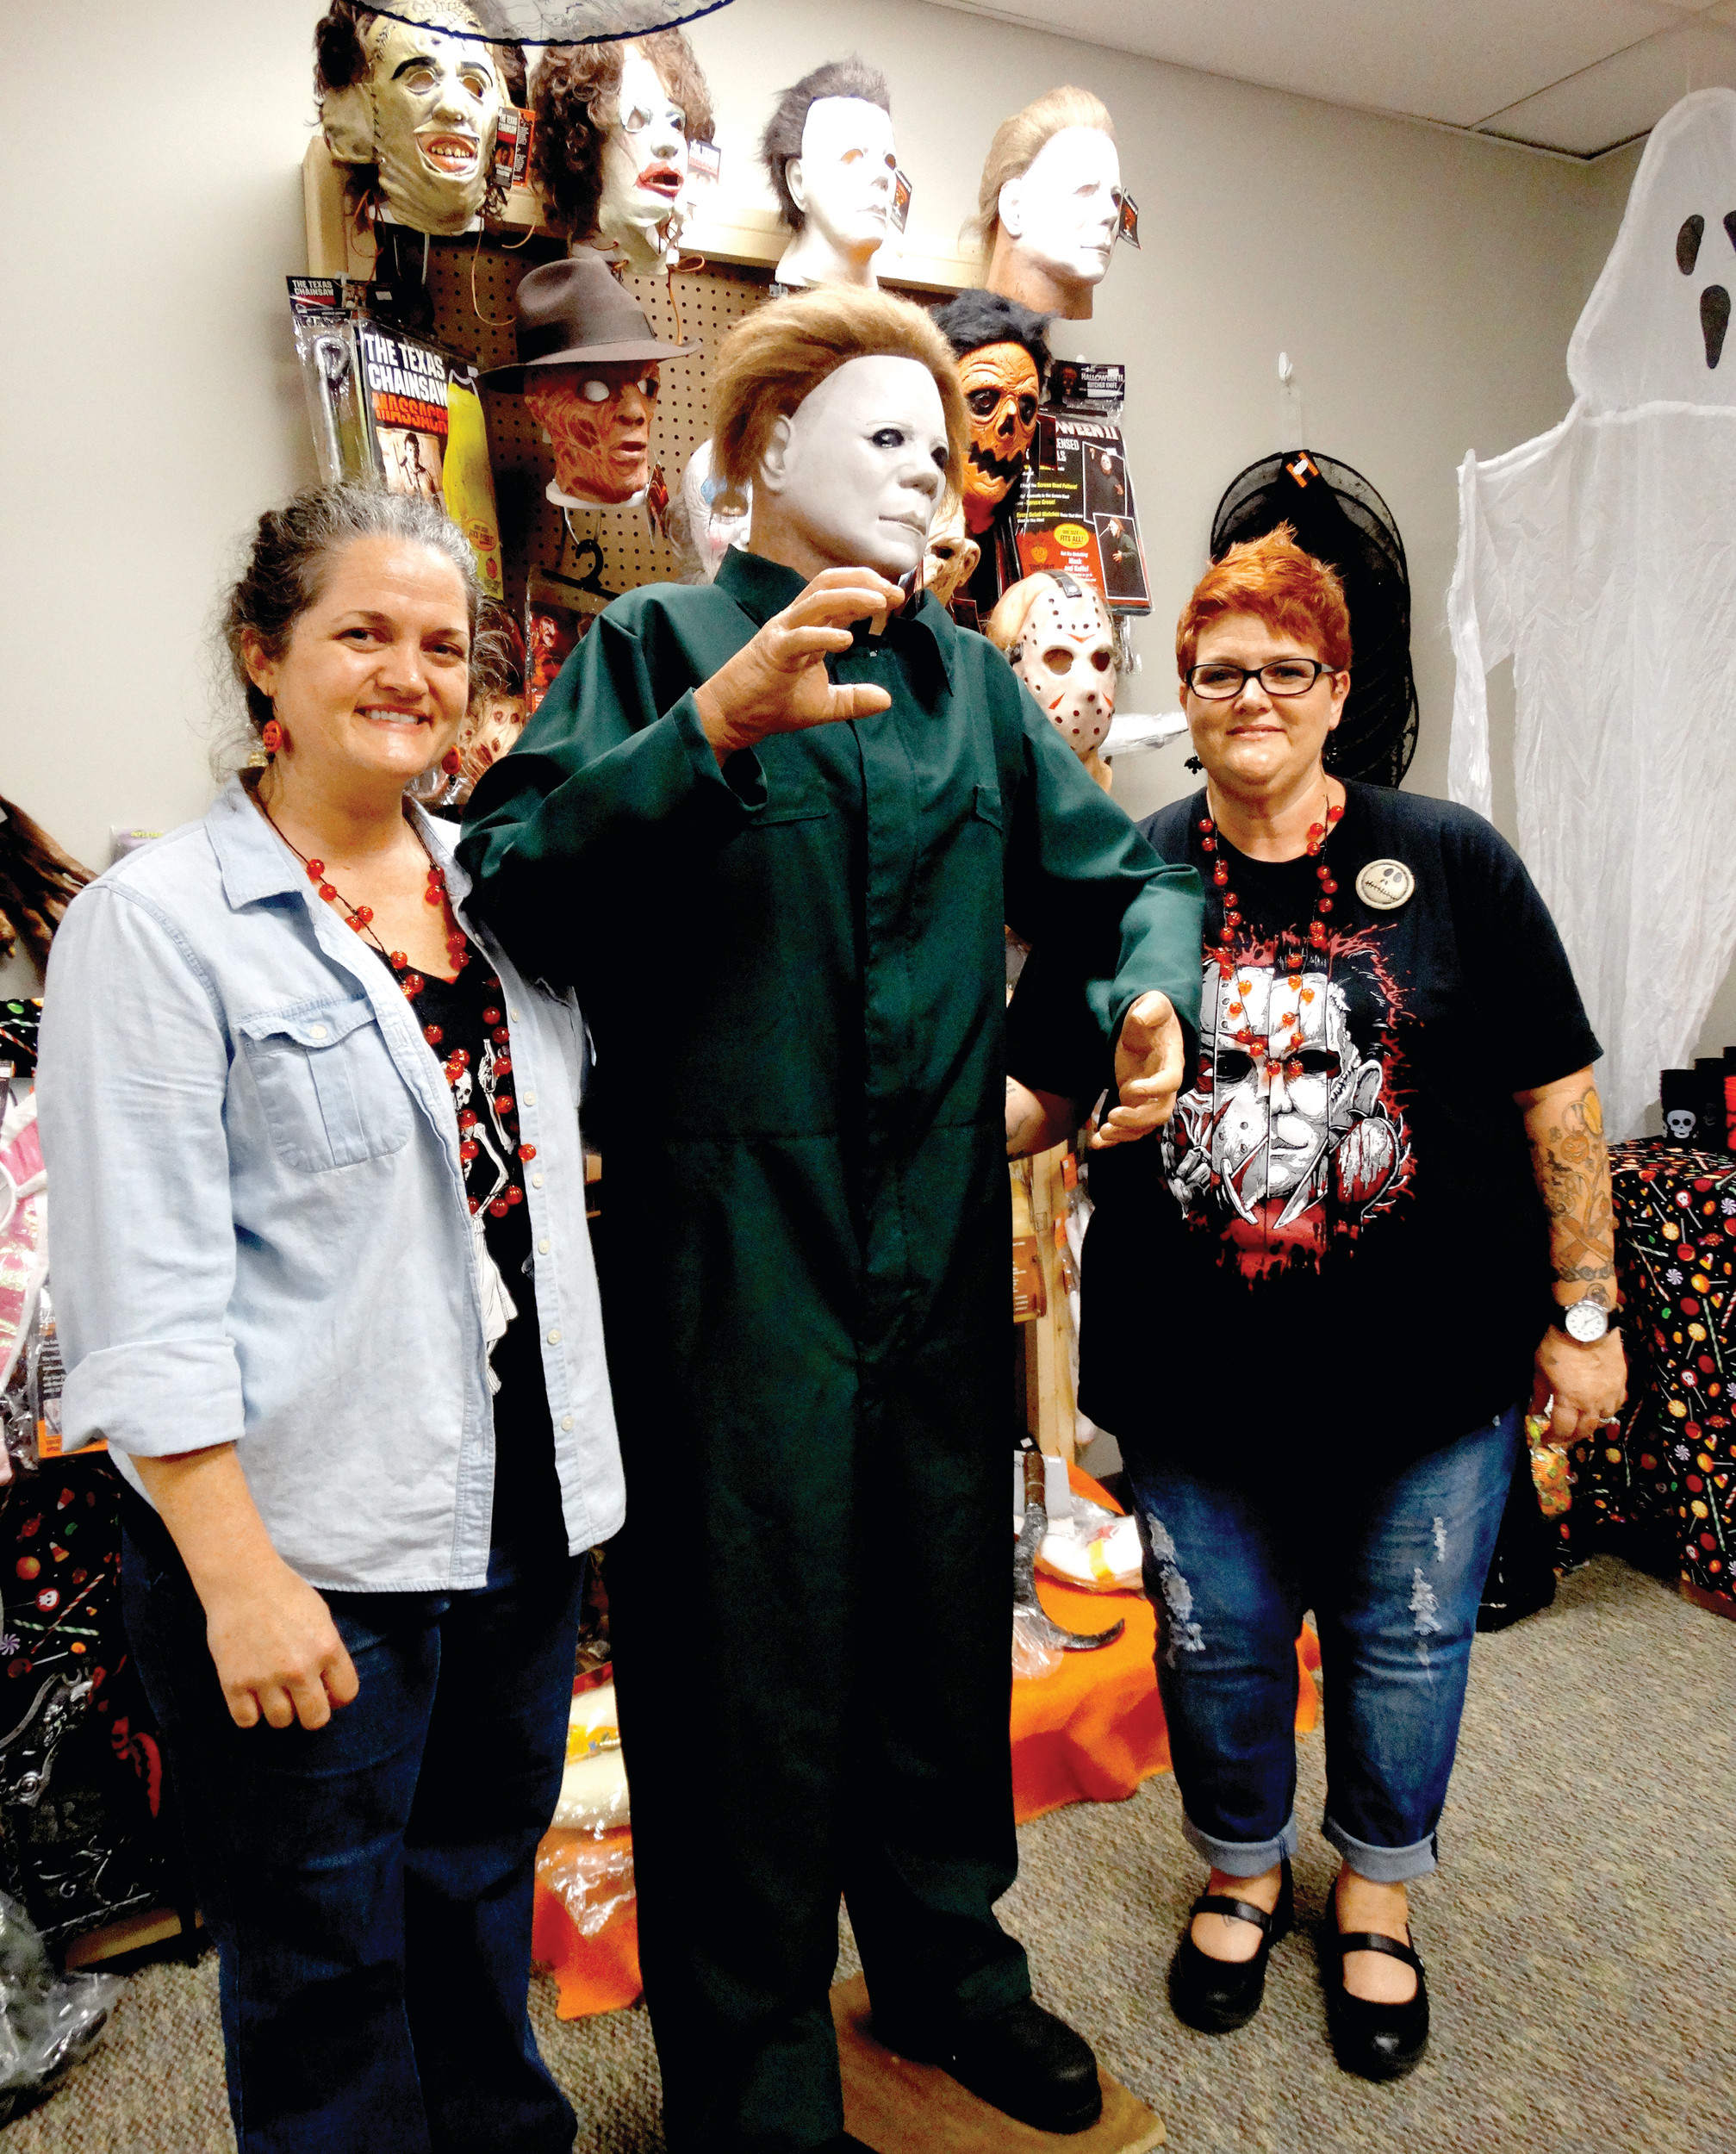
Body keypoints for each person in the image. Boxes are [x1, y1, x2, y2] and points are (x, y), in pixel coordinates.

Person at [458, 284, 1204, 2154]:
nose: (926, 477)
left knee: (937, 1629)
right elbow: (515, 885)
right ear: (765, 445)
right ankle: (752, 2048)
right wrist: (708, 727)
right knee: (748, 1663)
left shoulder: (959, 680)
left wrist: (1132, 1004)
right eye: (882, 436)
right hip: (729, 1259)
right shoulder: (650, 643)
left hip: (937, 1254)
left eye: (943, 448)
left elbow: (1121, 877)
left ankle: (950, 1969)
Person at [37, 482, 622, 2154]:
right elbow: (138, 1300)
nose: (410, 673)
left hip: (513, 1505)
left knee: (474, 1902)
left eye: (443, 644)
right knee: (323, 1968)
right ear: (262, 659)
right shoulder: (152, 927)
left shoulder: (507, 893)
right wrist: (235, 1576)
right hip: (304, 1549)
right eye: (362, 631)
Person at [1010, 526, 1625, 2081]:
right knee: (1214, 1645)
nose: (1254, 697)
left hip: (1425, 1377)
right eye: (1222, 672)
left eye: (1289, 669)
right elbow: (1028, 1092)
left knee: (1406, 1643)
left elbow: (1558, 1097)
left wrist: (1587, 1313)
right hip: (1196, 1377)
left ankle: (1374, 1895)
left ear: (1339, 688)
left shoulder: (1454, 860)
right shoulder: (1127, 870)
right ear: (1188, 692)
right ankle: (1239, 1867)